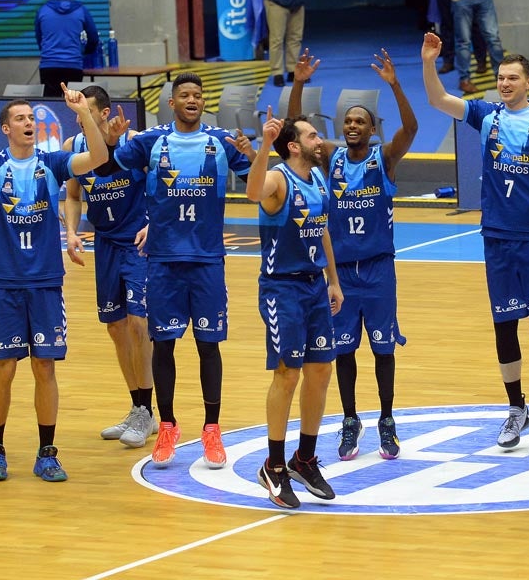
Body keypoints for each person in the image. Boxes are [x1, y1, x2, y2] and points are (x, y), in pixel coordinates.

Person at [0, 73, 109, 482]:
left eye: (31, 116)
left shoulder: (51, 164)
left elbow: (99, 158)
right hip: (4, 283)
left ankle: (47, 452)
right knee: (4, 368)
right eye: (19, 118)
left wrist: (83, 114)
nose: (28, 122)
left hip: (46, 282)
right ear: (6, 128)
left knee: (45, 367)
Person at [423, 35, 529, 452]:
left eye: (513, 78)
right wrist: (429, 62)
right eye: (501, 78)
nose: (505, 84)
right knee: (504, 327)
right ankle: (516, 408)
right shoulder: (486, 115)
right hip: (498, 238)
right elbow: (438, 100)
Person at [105, 72, 256, 469]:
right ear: (171, 103)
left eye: (198, 95)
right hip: (164, 262)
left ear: (203, 102)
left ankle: (212, 429)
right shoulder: (153, 141)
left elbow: (259, 187)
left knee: (209, 346)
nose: (192, 99)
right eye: (184, 95)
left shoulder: (222, 142)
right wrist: (108, 137)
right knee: (164, 345)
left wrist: (258, 153)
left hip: (207, 261)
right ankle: (167, 425)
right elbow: (106, 169)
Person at [287, 47, 419, 461]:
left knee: (382, 350)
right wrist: (299, 83)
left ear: (372, 127)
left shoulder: (386, 158)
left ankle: (386, 418)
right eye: (347, 121)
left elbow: (411, 128)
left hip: (379, 270)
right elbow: (293, 131)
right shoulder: (331, 158)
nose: (351, 125)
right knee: (344, 349)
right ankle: (349, 419)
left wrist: (396, 85)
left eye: (360, 121)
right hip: (341, 273)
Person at [246, 112, 344, 509]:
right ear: (293, 145)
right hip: (281, 289)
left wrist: (333, 279)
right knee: (287, 374)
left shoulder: (318, 179)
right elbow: (253, 192)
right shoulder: (277, 180)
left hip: (314, 285)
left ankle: (303, 458)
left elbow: (321, 229)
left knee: (321, 370)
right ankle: (273, 465)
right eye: (312, 135)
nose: (320, 141)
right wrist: (263, 147)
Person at [62, 86, 155, 449]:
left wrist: (156, 222)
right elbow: (72, 195)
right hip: (104, 244)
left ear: (103, 113)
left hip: (138, 243)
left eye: (85, 109)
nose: (78, 116)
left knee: (139, 322)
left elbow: (164, 184)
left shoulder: (133, 142)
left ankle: (148, 410)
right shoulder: (74, 148)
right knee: (116, 328)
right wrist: (70, 231)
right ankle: (136, 407)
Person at [34, 0, 100, 98]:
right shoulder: (81, 9)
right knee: (73, 105)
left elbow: (39, 38)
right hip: (73, 65)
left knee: (51, 106)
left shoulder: (42, 10)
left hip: (49, 66)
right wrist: (84, 53)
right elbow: (93, 37)